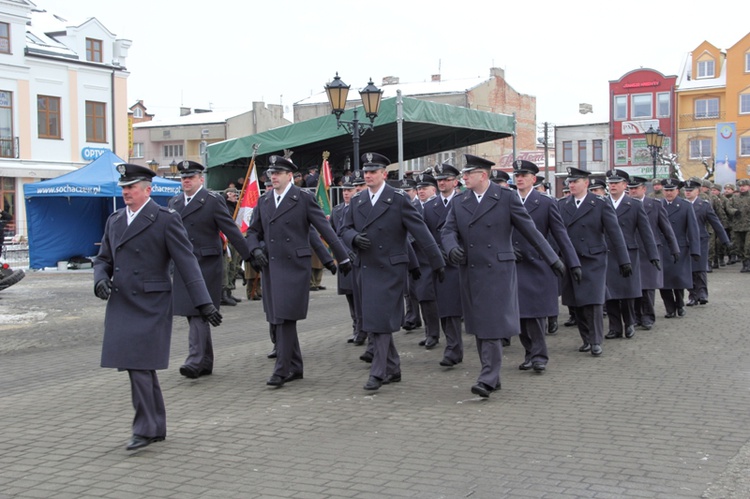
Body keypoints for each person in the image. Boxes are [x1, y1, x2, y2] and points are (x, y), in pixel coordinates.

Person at [93, 163, 222, 451]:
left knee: (139, 365)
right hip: (122, 301)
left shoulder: (164, 219)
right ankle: (154, 426)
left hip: (151, 302)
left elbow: (187, 262)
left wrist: (204, 303)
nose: (125, 192)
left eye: (131, 187)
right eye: (124, 187)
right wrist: (100, 279)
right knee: (135, 366)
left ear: (147, 190)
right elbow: (103, 259)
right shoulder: (114, 220)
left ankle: (146, 428)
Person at [442, 154, 565, 398]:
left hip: (498, 271)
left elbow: (531, 231)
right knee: (479, 325)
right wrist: (451, 247)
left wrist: (554, 259)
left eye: (468, 173)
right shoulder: (460, 201)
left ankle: (487, 377)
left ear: (483, 175)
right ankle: (492, 376)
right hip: (470, 271)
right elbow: (447, 230)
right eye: (463, 174)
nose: (463, 177)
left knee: (491, 325)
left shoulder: (505, 198)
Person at [341, 152, 445, 391]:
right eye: (366, 172)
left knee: (380, 321)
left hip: (390, 268)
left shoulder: (397, 199)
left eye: (373, 172)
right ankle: (393, 367)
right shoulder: (357, 201)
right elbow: (344, 228)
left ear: (384, 174)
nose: (368, 176)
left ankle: (378, 372)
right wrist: (354, 237)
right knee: (375, 320)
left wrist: (437, 262)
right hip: (366, 268)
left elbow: (420, 232)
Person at [246, 155, 351, 388]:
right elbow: (253, 231)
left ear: (289, 176)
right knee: (278, 317)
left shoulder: (302, 198)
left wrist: (341, 257)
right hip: (271, 267)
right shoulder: (264, 201)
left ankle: (282, 369)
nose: (272, 177)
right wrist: (255, 249)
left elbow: (323, 229)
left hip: (294, 266)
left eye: (277, 173)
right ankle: (295, 366)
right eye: (270, 174)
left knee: (284, 318)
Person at [168, 160, 252, 380]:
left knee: (198, 312)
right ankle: (205, 362)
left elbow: (231, 230)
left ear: (200, 179)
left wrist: (250, 256)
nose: (186, 181)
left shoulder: (211, 201)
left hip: (205, 263)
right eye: (183, 178)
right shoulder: (175, 203)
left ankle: (194, 360)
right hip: (184, 266)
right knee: (192, 313)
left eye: (190, 177)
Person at [511, 159, 580, 374]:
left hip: (539, 264)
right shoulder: (505, 200)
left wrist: (572, 263)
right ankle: (529, 352)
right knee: (520, 314)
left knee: (536, 313)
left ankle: (539, 355)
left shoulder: (546, 202)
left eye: (524, 175)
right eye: (517, 175)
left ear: (534, 179)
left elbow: (560, 235)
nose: (519, 179)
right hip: (514, 264)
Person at [559, 167, 631, 357]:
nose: (571, 185)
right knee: (576, 303)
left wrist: (624, 260)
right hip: (570, 259)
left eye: (575, 181)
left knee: (593, 302)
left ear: (586, 183)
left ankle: (596, 340)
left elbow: (614, 233)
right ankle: (586, 339)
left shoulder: (599, 204)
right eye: (570, 182)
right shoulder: (562, 204)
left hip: (593, 259)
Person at [602, 169, 660, 340]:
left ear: (624, 185)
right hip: (608, 253)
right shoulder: (602, 203)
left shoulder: (634, 205)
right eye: (610, 183)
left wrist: (653, 255)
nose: (612, 186)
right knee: (610, 293)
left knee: (627, 292)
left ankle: (629, 323)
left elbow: (645, 232)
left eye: (616, 183)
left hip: (628, 253)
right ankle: (614, 327)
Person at [423, 162, 464, 367]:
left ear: (455, 182)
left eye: (446, 179)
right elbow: (424, 234)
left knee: (458, 308)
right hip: (439, 263)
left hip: (461, 261)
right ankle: (453, 348)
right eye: (439, 180)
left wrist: (455, 249)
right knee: (446, 308)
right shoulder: (430, 206)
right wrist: (436, 252)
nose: (441, 183)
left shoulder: (464, 201)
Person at [627, 176, 679, 331]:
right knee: (634, 285)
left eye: (636, 188)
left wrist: (674, 248)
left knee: (648, 286)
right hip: (632, 249)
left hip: (650, 251)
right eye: (630, 188)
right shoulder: (625, 205)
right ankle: (635, 316)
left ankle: (648, 316)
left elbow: (666, 229)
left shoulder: (654, 205)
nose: (633, 191)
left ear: (644, 189)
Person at [658, 178, 701, 318]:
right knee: (663, 281)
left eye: (671, 190)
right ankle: (669, 308)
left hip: (680, 247)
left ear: (677, 191)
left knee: (678, 279)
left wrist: (695, 250)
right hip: (662, 247)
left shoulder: (685, 205)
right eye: (666, 190)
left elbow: (693, 229)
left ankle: (680, 304)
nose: (669, 193)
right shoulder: (658, 205)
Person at [684, 180, 730, 305]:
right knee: (689, 269)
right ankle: (692, 295)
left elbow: (716, 223)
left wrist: (725, 240)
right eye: (686, 191)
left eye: (690, 190)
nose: (687, 193)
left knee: (700, 268)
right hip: (685, 241)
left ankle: (702, 293)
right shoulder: (681, 204)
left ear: (697, 192)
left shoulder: (703, 205)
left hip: (701, 240)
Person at [330, 178, 363, 345]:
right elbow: (334, 235)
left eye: (350, 190)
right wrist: (342, 252)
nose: (346, 193)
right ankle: (356, 327)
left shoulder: (361, 207)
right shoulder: (337, 210)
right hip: (345, 259)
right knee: (350, 295)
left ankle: (364, 329)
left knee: (361, 295)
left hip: (359, 257)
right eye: (344, 190)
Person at [412, 172, 441, 349]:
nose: (421, 191)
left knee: (440, 298)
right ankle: (430, 332)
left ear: (433, 189)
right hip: (420, 258)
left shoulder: (440, 205)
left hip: (439, 256)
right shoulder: (414, 206)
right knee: (424, 297)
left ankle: (440, 333)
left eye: (424, 188)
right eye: (419, 188)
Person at [221, 186, 243, 306]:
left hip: (235, 239)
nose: (236, 197)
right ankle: (224, 294)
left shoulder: (236, 207)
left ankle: (229, 292)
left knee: (234, 265)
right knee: (227, 266)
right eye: (233, 195)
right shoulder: (224, 206)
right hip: (227, 240)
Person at [726, 178, 750, 272]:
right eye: (740, 186)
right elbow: (729, 207)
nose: (742, 188)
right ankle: (744, 263)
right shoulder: (734, 198)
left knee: (748, 246)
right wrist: (734, 212)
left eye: (744, 186)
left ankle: (748, 263)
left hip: (748, 226)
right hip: (737, 226)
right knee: (739, 246)